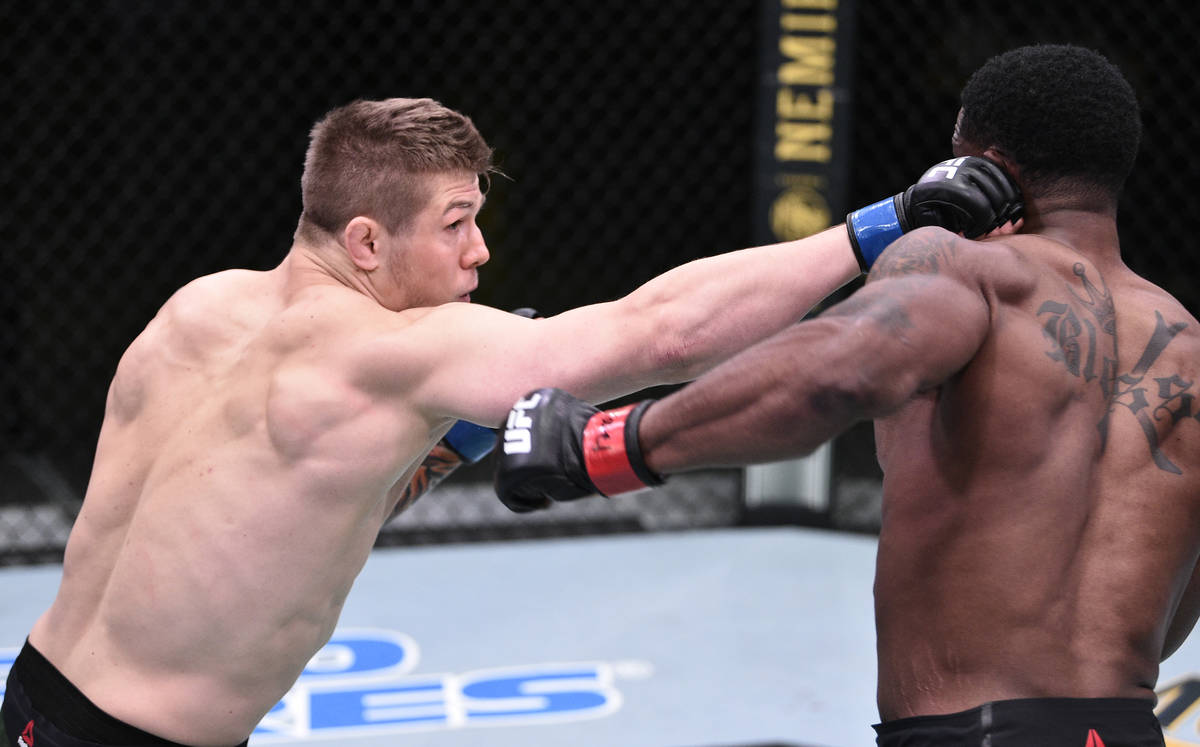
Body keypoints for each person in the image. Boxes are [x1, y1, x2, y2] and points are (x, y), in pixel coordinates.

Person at [0, 96, 1019, 747]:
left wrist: (444, 450)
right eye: (454, 226)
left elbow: (256, 515)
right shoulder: (395, 355)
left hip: (37, 700)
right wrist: (885, 225)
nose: (479, 253)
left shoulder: (197, 307)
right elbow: (659, 333)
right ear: (365, 240)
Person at [495, 44, 1197, 746]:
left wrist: (605, 445)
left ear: (982, 164)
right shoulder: (1190, 351)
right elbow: (1163, 624)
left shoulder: (967, 269)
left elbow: (839, 370)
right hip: (1128, 727)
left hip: (970, 729)